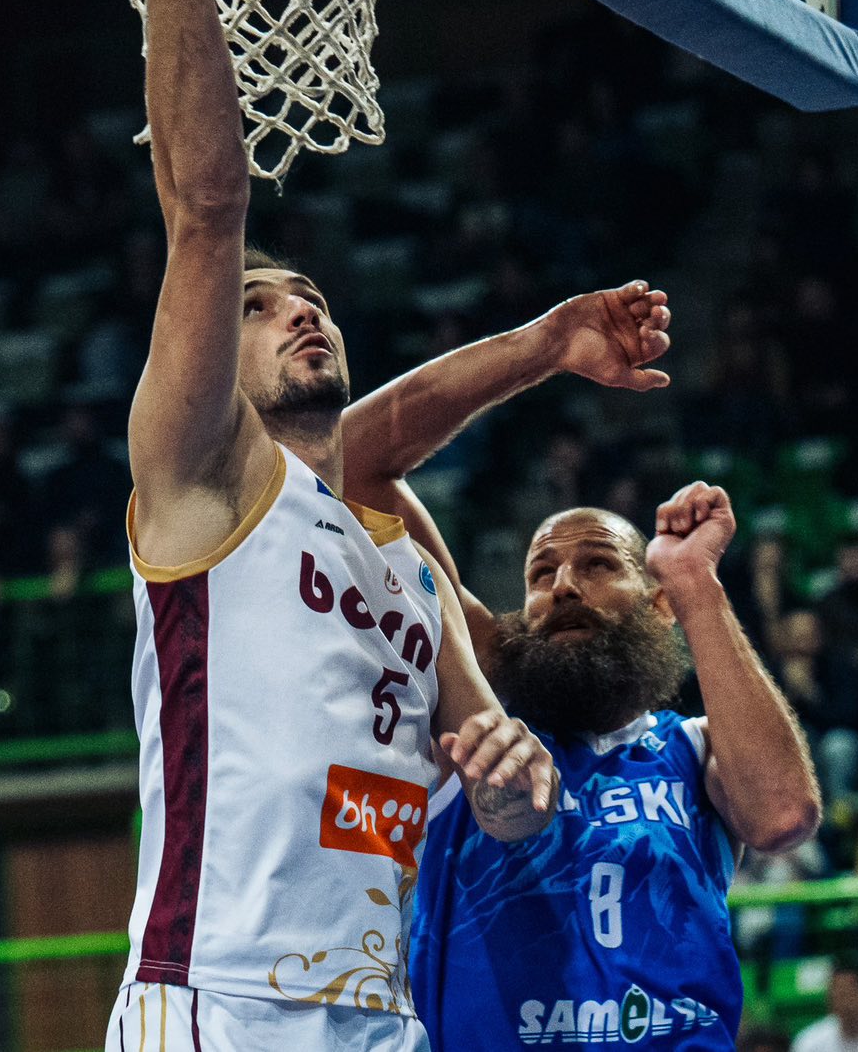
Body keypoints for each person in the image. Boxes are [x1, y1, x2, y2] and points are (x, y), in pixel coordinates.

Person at [92, 0, 556, 1050]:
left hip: (377, 1011)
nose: (300, 306)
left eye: (310, 299)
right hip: (219, 1003)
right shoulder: (204, 481)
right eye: (261, 306)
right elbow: (207, 214)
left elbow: (498, 778)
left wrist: (517, 782)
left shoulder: (406, 549)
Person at [333, 293, 817, 1049]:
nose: (561, 586)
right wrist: (544, 346)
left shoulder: (691, 750)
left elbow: (784, 815)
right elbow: (351, 462)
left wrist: (696, 586)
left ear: (656, 605)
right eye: (541, 572)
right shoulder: (477, 704)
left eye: (597, 565)